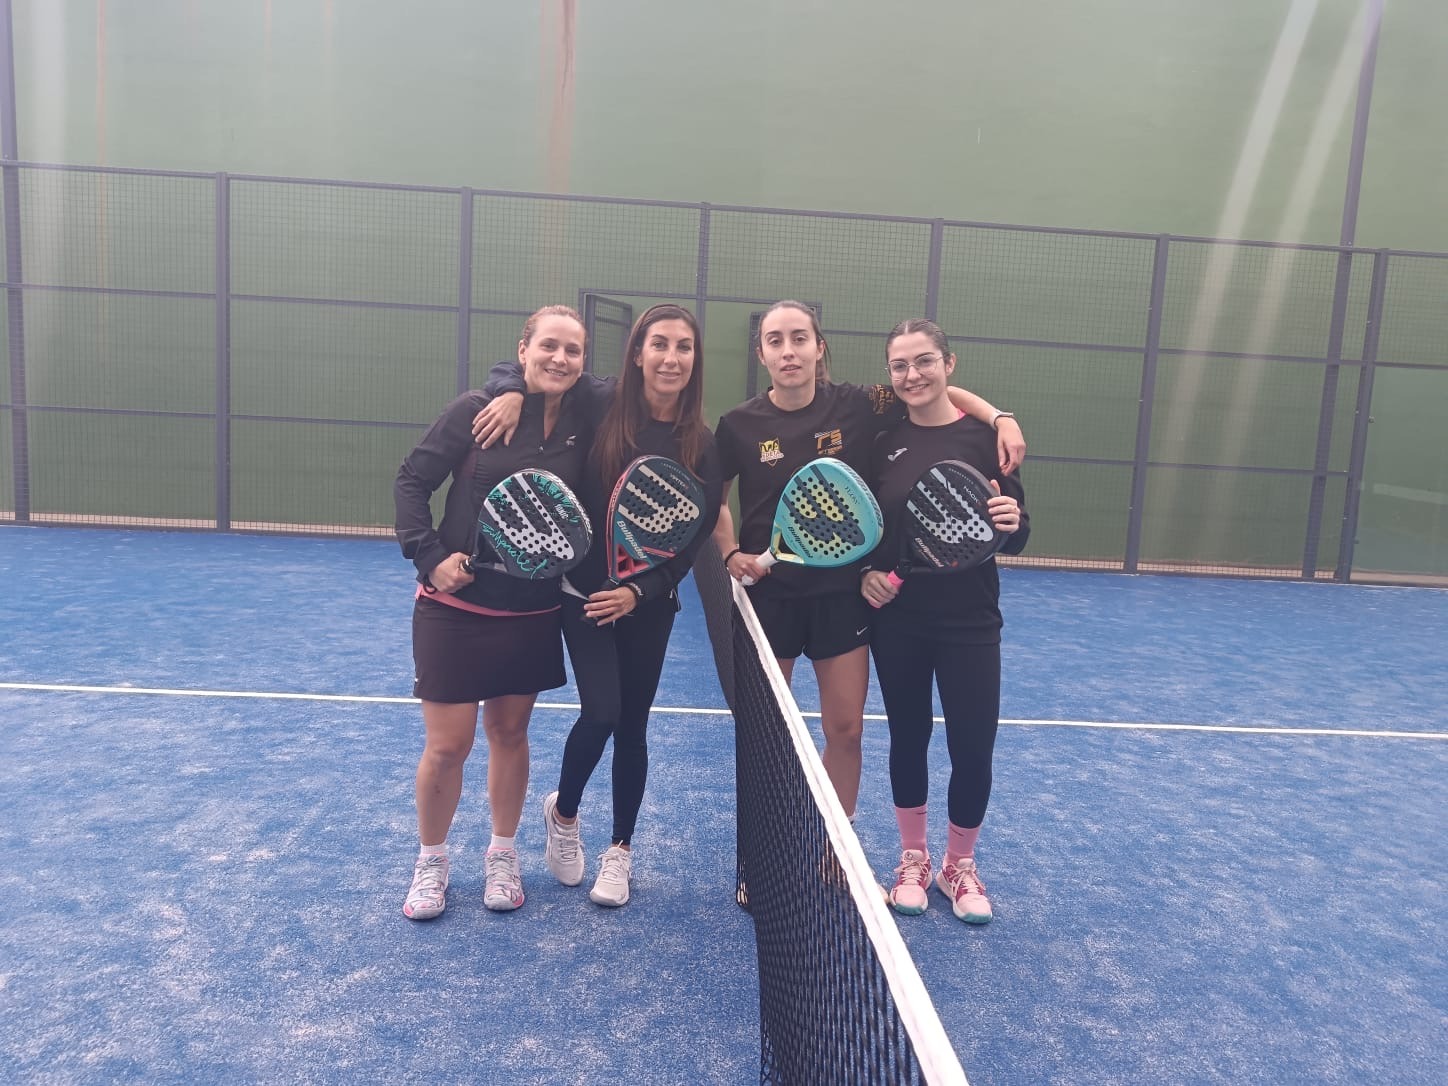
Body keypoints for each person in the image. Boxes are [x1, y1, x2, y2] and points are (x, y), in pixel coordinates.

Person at [711, 300, 1025, 819]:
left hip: (842, 597)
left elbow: (930, 388)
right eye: (775, 341)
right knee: (764, 728)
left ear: (819, 348)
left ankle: (834, 850)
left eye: (799, 338)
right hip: (769, 599)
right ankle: (766, 843)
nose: (788, 351)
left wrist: (999, 417)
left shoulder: (859, 404)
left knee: (846, 730)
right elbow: (718, 501)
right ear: (761, 353)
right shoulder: (738, 425)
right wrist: (729, 552)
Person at [470, 304, 722, 907]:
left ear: (695, 360)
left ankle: (621, 851)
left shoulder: (702, 445)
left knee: (634, 727)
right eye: (659, 344)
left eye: (683, 347)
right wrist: (509, 392)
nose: (670, 358)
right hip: (581, 598)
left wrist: (639, 590)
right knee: (603, 712)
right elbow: (531, 368)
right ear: (637, 353)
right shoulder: (600, 402)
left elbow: (692, 540)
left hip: (648, 606)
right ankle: (564, 814)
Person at [392, 304, 594, 920]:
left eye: (573, 350)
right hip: (454, 607)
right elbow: (412, 481)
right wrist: (430, 557)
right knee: (448, 746)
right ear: (523, 349)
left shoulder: (585, 418)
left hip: (531, 612)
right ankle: (431, 860)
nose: (560, 358)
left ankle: (503, 854)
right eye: (548, 346)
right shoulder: (476, 410)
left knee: (509, 734)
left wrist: (515, 385)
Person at [859, 318, 1029, 924]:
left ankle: (959, 865)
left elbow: (1017, 533)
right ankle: (913, 858)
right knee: (908, 738)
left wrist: (1011, 521)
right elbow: (869, 529)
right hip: (900, 622)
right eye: (900, 365)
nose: (913, 375)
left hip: (971, 621)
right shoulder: (881, 440)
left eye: (924, 361)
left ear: (948, 364)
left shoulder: (987, 440)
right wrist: (866, 574)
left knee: (972, 746)